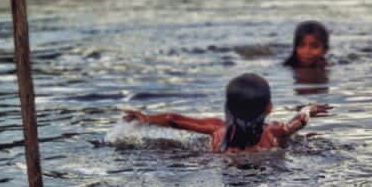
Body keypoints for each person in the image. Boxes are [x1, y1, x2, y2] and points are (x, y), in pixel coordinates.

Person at [123, 72, 327, 153]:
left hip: (220, 166)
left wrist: (146, 118)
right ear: (268, 108)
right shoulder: (273, 132)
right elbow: (296, 123)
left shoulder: (217, 130)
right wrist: (308, 109)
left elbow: (172, 119)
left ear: (228, 107)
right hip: (263, 166)